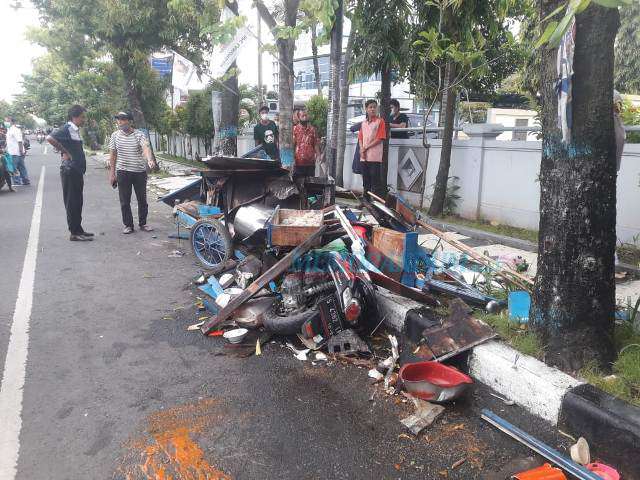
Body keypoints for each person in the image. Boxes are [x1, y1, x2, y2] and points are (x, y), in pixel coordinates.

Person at [47, 105, 94, 241]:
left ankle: (79, 229)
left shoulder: (75, 130)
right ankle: (74, 232)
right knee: (72, 201)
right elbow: (50, 138)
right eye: (82, 117)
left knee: (78, 201)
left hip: (76, 170)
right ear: (75, 117)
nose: (84, 119)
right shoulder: (67, 128)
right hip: (70, 170)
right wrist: (65, 151)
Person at [108, 111, 157, 234]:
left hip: (139, 172)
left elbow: (145, 147)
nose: (120, 122)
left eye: (123, 119)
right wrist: (112, 173)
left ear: (129, 121)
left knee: (142, 199)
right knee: (125, 200)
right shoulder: (114, 135)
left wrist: (149, 159)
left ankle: (143, 223)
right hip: (123, 172)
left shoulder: (139, 134)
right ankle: (128, 225)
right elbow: (113, 155)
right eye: (118, 119)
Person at [358, 99, 387, 196]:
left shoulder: (380, 121)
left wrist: (366, 148)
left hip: (375, 157)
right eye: (370, 107)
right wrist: (361, 149)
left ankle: (376, 204)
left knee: (375, 182)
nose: (373, 109)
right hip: (364, 156)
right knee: (365, 181)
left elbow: (380, 138)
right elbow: (360, 138)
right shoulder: (363, 123)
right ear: (366, 109)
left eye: (374, 107)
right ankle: (366, 201)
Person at [292, 109, 320, 185]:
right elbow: (292, 145)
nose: (304, 117)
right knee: (299, 184)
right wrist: (292, 159)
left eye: (306, 115)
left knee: (310, 185)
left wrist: (318, 156)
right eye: (302, 116)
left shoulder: (313, 130)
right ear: (299, 117)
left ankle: (309, 197)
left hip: (310, 163)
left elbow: (316, 144)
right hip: (298, 163)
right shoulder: (295, 129)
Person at [5, 116, 29, 185]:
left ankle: (17, 181)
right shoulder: (9, 130)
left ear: (12, 122)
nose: (6, 122)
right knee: (21, 167)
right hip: (14, 151)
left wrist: (21, 151)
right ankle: (26, 180)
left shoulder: (14, 130)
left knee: (13, 167)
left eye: (7, 121)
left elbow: (20, 141)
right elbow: (9, 141)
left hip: (15, 152)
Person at [0, 126, 15, 192]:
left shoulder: (2, 135)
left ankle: (10, 186)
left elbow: (2, 148)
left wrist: (2, 151)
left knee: (5, 168)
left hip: (1, 155)